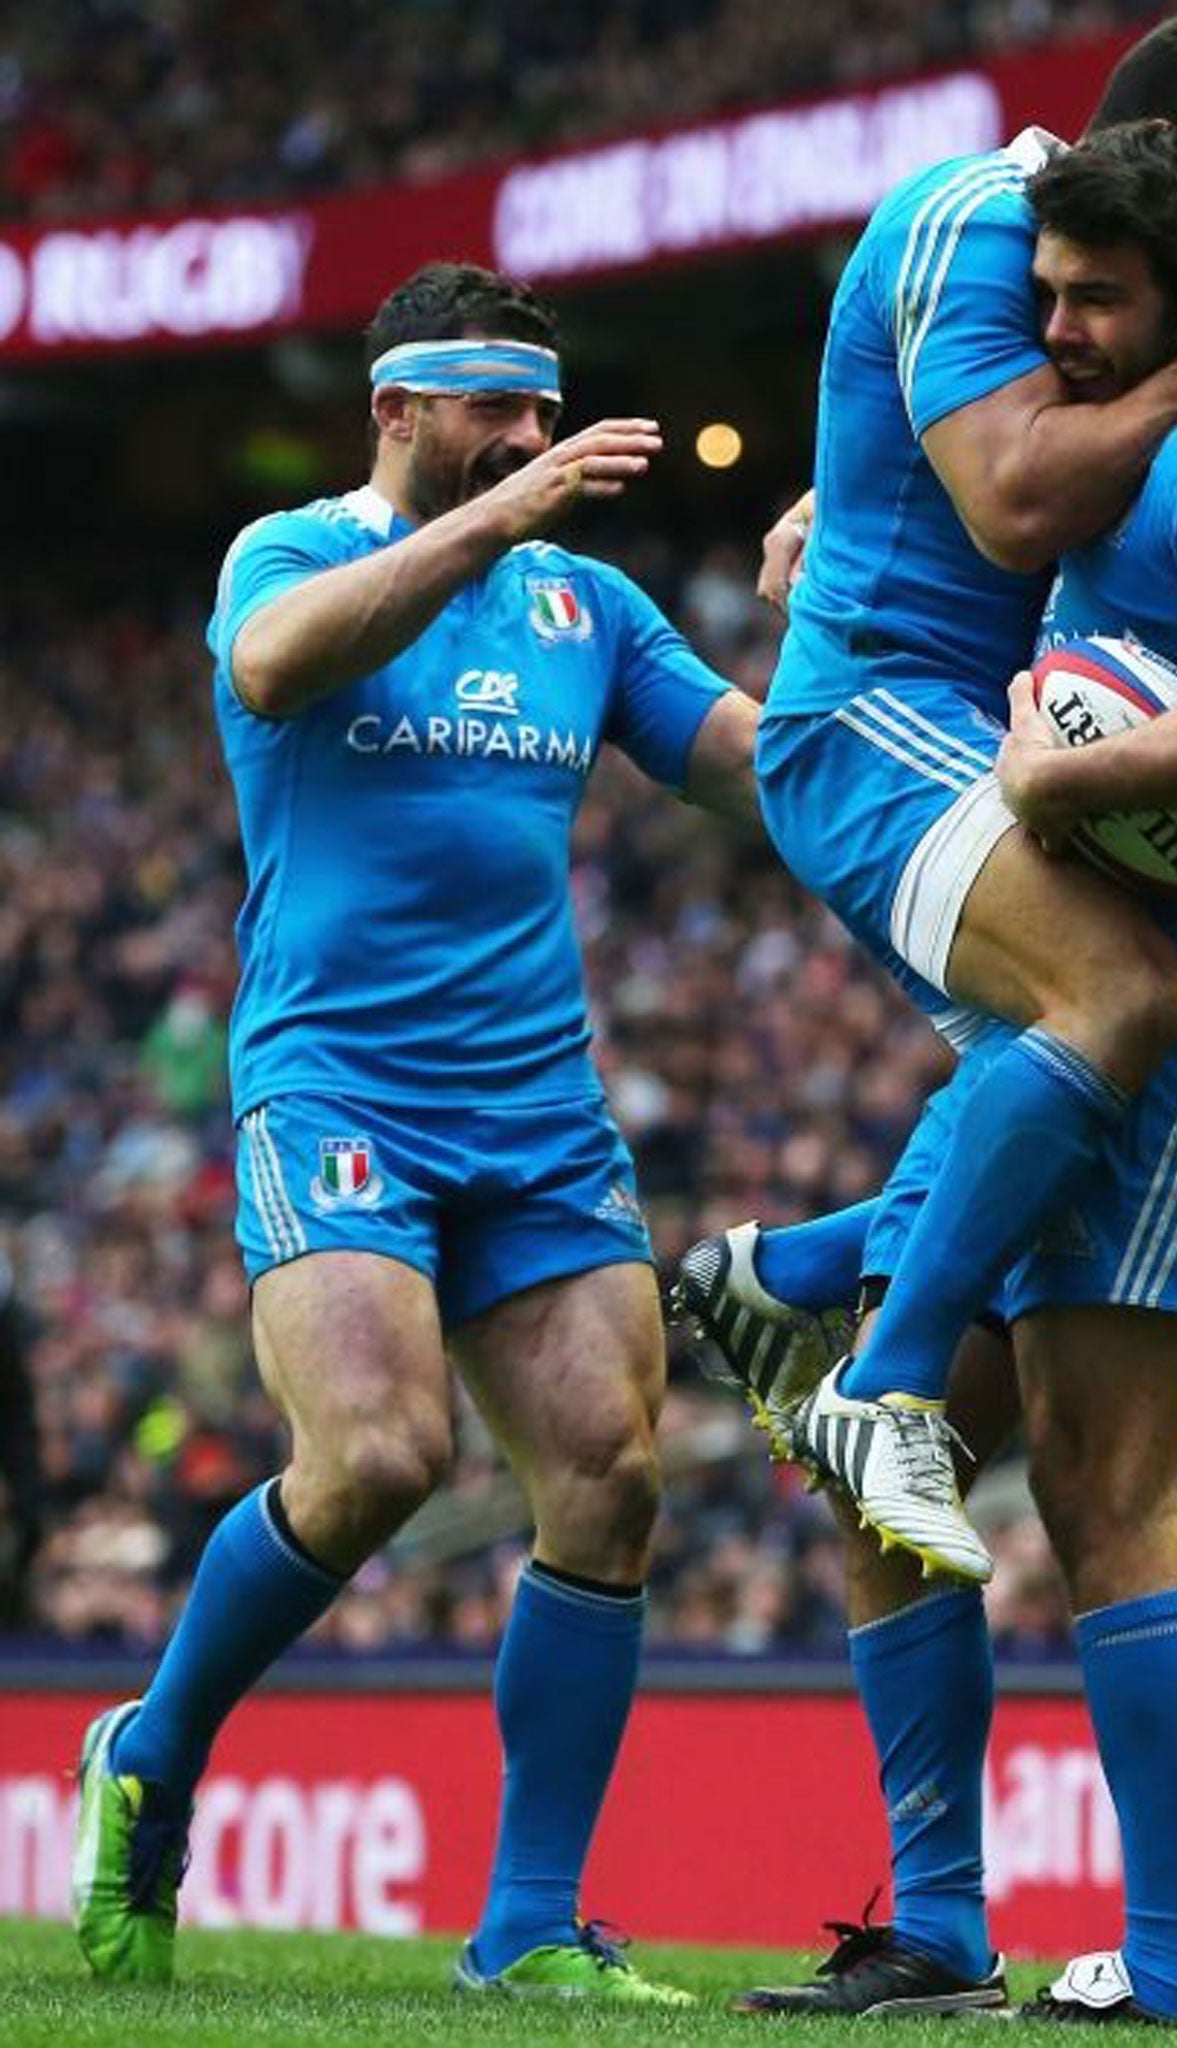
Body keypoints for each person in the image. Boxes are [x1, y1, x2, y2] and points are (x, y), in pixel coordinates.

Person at [729, 122, 1177, 2026]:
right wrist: (829, 528)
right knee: (902, 1505)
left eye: (1094, 300)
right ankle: (935, 1926)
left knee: (1100, 1485)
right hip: (1106, 1015)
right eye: (1047, 298)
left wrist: (1067, 778)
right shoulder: (1115, 445)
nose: (1057, 330)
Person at [70, 261, 758, 2003]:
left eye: (543, 410)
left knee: (609, 1473)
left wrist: (823, 627)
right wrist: (502, 517)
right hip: (339, 1084)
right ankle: (152, 1754)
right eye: (495, 412)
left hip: (535, 1104)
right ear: (398, 409)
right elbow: (281, 665)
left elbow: (749, 763)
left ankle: (526, 1927)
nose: (532, 440)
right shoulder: (289, 555)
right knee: (378, 1459)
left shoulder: (585, 610)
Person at [678, 14, 1177, 1585]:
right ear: (1169, 153)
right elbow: (1008, 503)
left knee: (1042, 1081)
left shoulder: (1146, 324)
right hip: (881, 722)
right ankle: (878, 1382)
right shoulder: (969, 218)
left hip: (974, 734)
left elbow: (1143, 471)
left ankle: (792, 1277)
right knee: (1120, 990)